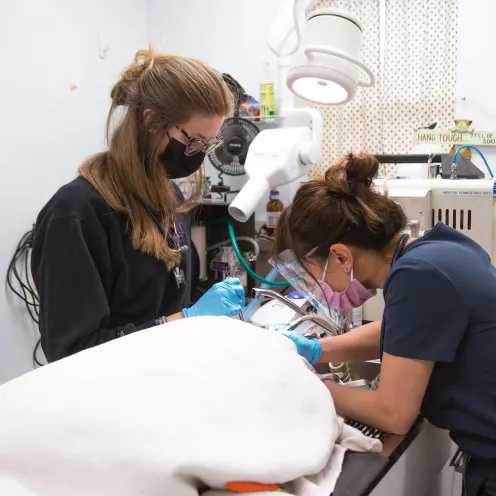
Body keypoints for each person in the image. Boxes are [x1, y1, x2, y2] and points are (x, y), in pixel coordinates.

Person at [271, 153, 496, 495]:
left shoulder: (416, 276)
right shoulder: (438, 250)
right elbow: (409, 332)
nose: (313, 285)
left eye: (309, 272)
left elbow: (393, 414)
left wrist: (307, 385)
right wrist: (317, 349)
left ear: (341, 256)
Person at [31, 47, 245, 363]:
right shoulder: (77, 214)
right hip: (109, 398)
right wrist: (185, 319)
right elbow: (72, 352)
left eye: (208, 143)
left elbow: (167, 299)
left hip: (162, 380)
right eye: (193, 140)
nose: (199, 154)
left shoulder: (170, 199)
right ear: (151, 120)